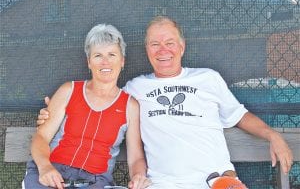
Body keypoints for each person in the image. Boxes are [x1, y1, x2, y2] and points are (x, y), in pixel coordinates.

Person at [37, 16, 293, 188]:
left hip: (214, 181)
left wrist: (273, 135)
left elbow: (239, 116)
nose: (163, 50)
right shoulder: (134, 90)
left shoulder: (208, 79)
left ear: (181, 47)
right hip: (162, 184)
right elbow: (101, 98)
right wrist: (55, 110)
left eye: (169, 43)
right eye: (154, 44)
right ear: (147, 49)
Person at [23, 24, 151, 189]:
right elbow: (40, 138)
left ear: (122, 61)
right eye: (98, 55)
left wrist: (138, 176)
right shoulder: (69, 90)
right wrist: (45, 167)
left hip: (95, 181)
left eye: (112, 54)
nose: (105, 62)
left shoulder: (130, 106)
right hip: (53, 172)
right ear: (89, 62)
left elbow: (135, 158)